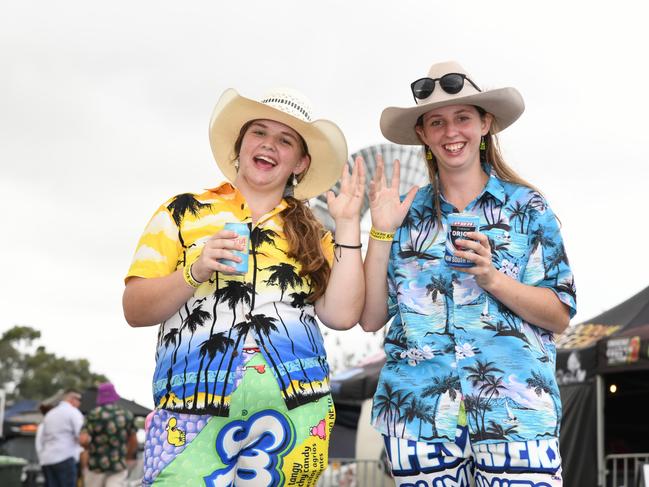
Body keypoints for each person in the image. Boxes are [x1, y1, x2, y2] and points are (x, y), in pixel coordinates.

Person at [123, 87, 365, 486]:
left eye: (285, 140)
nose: (269, 145)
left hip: (296, 412)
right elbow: (134, 309)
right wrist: (193, 271)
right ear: (241, 144)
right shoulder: (181, 211)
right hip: (189, 411)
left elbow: (341, 316)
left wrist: (351, 224)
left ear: (300, 162)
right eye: (259, 133)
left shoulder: (315, 234)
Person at [360, 61, 577, 486]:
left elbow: (560, 314)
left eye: (463, 118)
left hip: (517, 413)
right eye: (436, 122)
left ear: (485, 124)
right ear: (422, 134)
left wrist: (493, 278)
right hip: (418, 414)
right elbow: (369, 319)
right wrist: (380, 231)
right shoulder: (402, 212)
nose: (450, 132)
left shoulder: (528, 208)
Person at [79, 382, 137, 487]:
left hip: (96, 466)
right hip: (118, 466)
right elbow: (133, 440)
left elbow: (83, 440)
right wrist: (127, 457)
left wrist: (91, 447)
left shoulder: (93, 414)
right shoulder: (126, 414)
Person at [38, 389, 84, 487]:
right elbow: (81, 436)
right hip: (65, 457)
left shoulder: (50, 414)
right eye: (79, 400)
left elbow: (42, 439)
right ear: (72, 399)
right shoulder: (73, 412)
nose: (80, 403)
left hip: (47, 459)